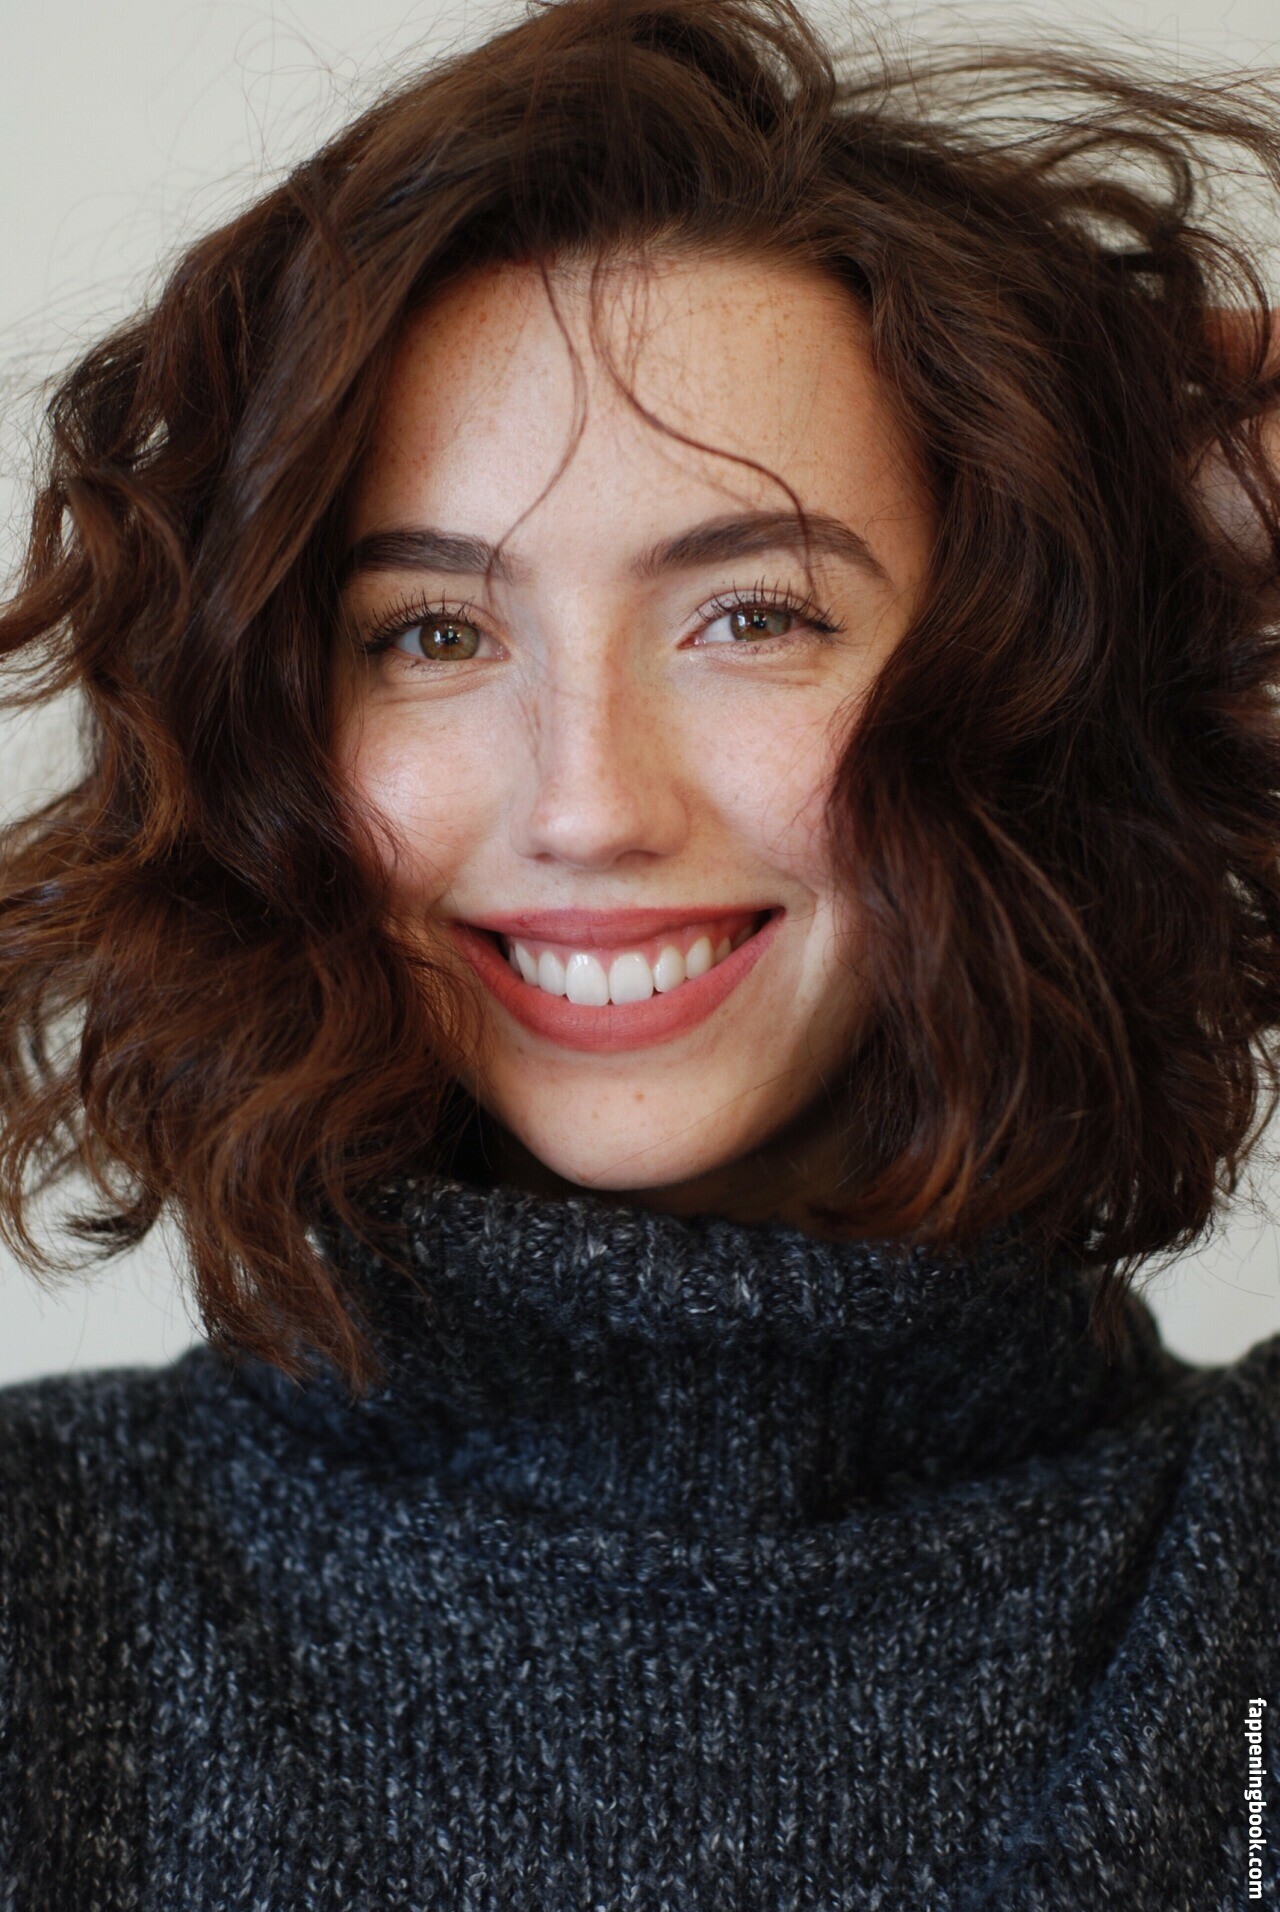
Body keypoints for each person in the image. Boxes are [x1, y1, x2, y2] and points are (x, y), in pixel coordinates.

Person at [0, 0, 1277, 1903]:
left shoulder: (1239, 1574)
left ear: (1027, 675)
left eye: (753, 615)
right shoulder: (44, 1589)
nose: (589, 803)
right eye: (434, 634)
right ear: (275, 731)